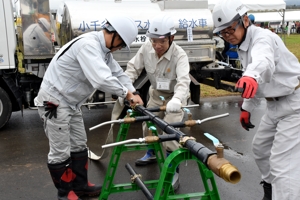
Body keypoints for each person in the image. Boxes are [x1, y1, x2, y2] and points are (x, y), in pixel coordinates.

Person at [34, 15, 143, 200]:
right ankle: (65, 193)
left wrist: (135, 92)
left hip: (71, 102)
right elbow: (102, 79)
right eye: (121, 44)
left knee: (79, 143)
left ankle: (81, 186)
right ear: (114, 34)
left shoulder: (104, 51)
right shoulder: (89, 45)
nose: (119, 49)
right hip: (55, 101)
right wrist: (127, 94)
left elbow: (117, 73)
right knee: (60, 150)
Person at [212, 0, 300, 200]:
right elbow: (255, 80)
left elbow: (263, 62)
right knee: (260, 149)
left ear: (244, 20)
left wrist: (251, 76)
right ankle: (270, 190)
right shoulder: (243, 43)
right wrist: (247, 107)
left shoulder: (262, 38)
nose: (228, 36)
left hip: (294, 105)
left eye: (230, 30)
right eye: (222, 33)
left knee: (282, 164)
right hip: (275, 105)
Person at [109, 14, 190, 190]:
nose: (157, 45)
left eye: (161, 41)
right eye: (153, 40)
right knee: (148, 125)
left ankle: (173, 170)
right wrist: (125, 89)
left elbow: (184, 81)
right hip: (156, 94)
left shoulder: (180, 56)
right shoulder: (147, 48)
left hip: (174, 96)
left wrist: (177, 99)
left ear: (171, 37)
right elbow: (132, 68)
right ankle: (152, 153)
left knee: (171, 129)